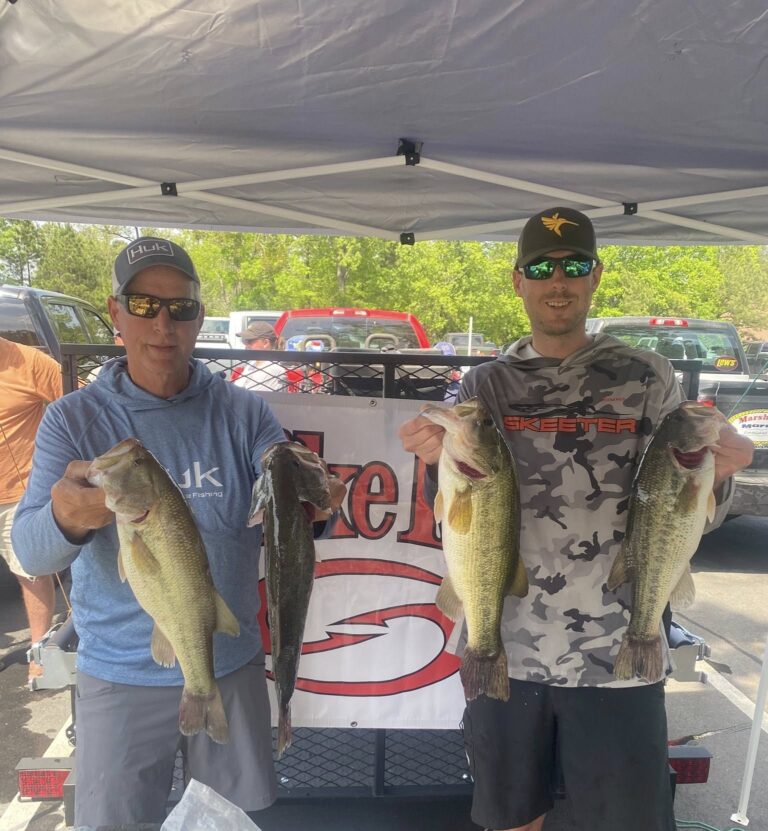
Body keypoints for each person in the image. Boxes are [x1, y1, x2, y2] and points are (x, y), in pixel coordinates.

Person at [398, 207, 754, 831]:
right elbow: (456, 510)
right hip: (505, 641)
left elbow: (681, 497)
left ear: (594, 276)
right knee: (512, 816)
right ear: (518, 281)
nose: (556, 280)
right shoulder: (485, 385)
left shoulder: (646, 376)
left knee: (624, 820)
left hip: (618, 646)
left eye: (573, 266)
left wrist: (719, 475)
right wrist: (433, 461)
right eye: (541, 267)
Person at [12, 236, 346, 827]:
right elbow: (33, 551)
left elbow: (290, 496)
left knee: (229, 821)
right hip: (117, 673)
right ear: (116, 312)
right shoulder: (74, 418)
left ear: (197, 317)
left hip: (230, 660)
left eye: (181, 307)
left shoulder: (245, 413)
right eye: (144, 305)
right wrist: (66, 517)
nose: (163, 324)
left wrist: (311, 499)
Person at [0, 336, 62, 684]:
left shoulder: (28, 362)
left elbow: (80, 402)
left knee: (31, 573)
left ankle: (41, 650)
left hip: (18, 494)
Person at [230, 321, 286, 391]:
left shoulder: (272, 368)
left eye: (249, 341)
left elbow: (252, 397)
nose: (246, 344)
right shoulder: (253, 363)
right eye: (244, 340)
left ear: (265, 343)